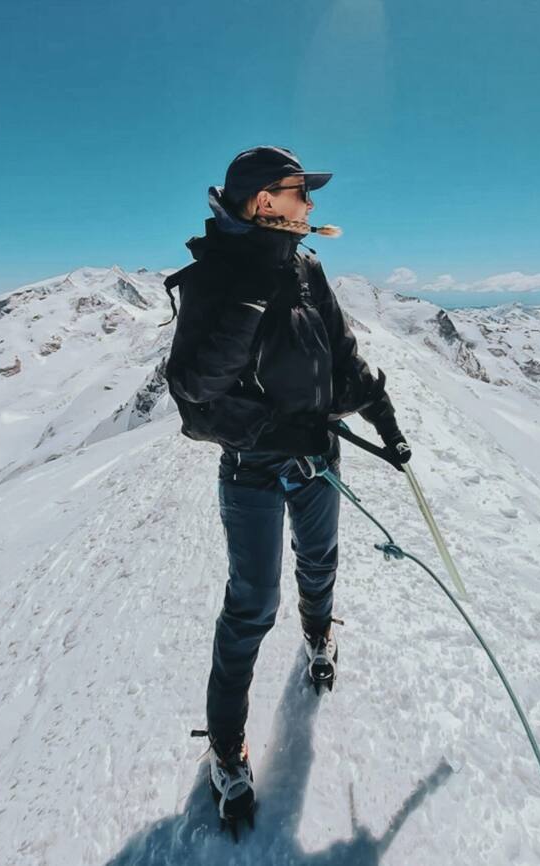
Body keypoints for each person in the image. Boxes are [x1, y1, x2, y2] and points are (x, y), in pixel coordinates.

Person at [164, 146, 411, 829]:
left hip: (318, 457)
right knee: (249, 605)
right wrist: (248, 299)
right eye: (301, 191)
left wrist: (384, 421)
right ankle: (226, 751)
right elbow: (192, 391)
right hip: (252, 469)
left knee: (320, 560)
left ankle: (317, 636)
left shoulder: (305, 266)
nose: (311, 204)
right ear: (263, 201)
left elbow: (338, 354)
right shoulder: (214, 276)